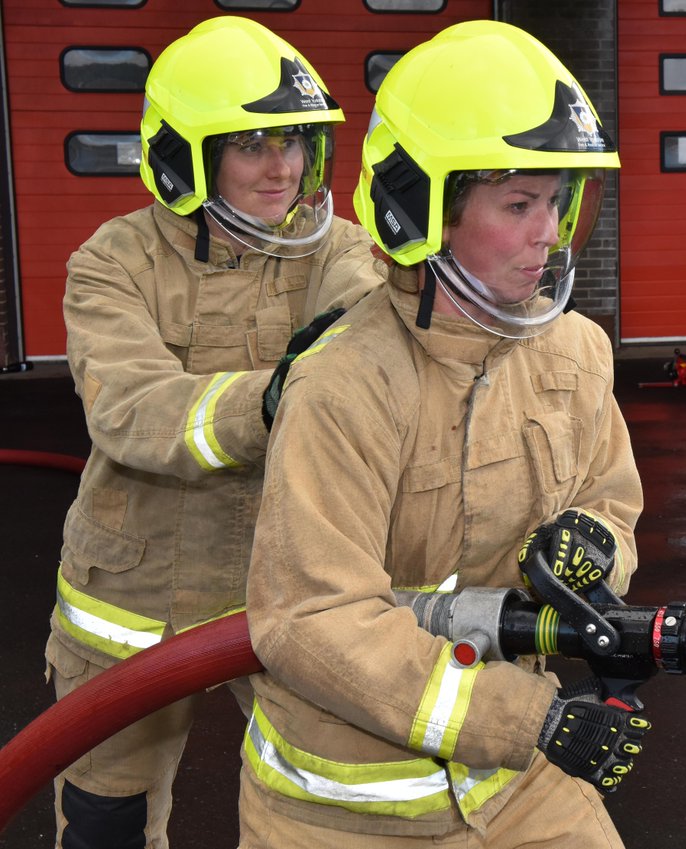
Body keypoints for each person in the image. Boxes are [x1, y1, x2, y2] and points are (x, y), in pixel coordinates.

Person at [238, 19, 648, 849]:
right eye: (520, 205)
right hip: (345, 803)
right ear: (419, 207)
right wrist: (529, 716)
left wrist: (595, 548)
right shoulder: (343, 383)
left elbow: (612, 500)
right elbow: (312, 620)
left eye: (558, 202)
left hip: (515, 784)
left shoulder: (576, 351)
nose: (549, 232)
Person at [45, 16, 382, 849]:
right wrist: (276, 399)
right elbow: (131, 407)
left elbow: (366, 349)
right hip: (129, 604)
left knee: (330, 810)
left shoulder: (341, 251)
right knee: (106, 821)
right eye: (252, 144)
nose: (283, 167)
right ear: (182, 155)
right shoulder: (112, 262)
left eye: (294, 141)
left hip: (286, 588)